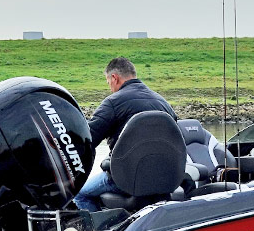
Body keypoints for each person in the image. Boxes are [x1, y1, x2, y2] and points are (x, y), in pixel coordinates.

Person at [73, 56, 177, 211]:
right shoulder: (163, 102)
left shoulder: (113, 102)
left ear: (114, 78)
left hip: (127, 179)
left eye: (108, 82)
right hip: (163, 177)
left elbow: (88, 140)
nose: (110, 87)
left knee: (80, 194)